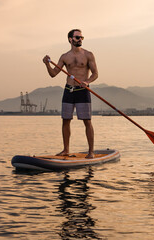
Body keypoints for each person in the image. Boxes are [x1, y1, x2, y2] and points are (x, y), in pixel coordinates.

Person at [43, 29, 98, 159]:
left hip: (83, 91)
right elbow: (53, 74)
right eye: (77, 37)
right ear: (70, 39)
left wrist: (87, 81)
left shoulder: (88, 55)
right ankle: (66, 150)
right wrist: (47, 64)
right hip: (69, 90)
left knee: (87, 121)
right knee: (65, 120)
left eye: (81, 37)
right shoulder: (64, 57)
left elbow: (95, 73)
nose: (80, 39)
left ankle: (91, 152)